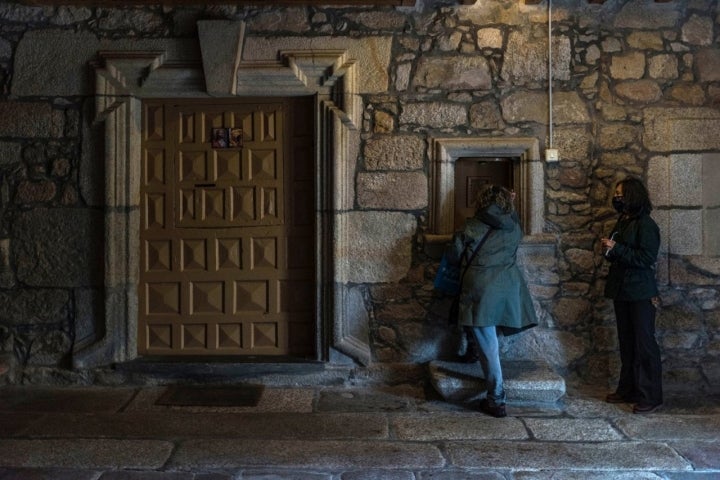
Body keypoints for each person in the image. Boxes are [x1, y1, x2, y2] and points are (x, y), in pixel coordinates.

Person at [446, 184, 537, 417]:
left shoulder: (471, 226)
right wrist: (512, 204)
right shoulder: (514, 226)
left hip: (481, 289)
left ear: (482, 201)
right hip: (507, 287)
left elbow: (454, 256)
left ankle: (496, 398)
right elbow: (512, 223)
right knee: (486, 337)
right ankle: (472, 351)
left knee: (488, 343)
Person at [601, 177, 663, 414]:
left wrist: (617, 249)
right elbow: (619, 250)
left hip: (640, 291)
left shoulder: (646, 224)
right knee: (627, 342)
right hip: (622, 290)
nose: (617, 197)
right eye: (616, 193)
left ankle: (651, 395)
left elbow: (646, 258)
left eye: (621, 193)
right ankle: (628, 389)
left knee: (645, 343)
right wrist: (610, 250)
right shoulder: (623, 220)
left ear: (632, 195)